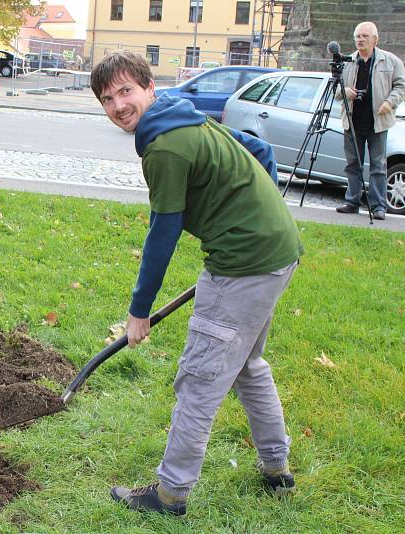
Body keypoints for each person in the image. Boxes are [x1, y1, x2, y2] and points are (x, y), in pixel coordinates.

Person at [90, 51, 303, 516]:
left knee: (199, 381)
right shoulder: (182, 116)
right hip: (277, 251)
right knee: (247, 365)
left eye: (126, 91)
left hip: (243, 265)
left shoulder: (165, 146)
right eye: (107, 99)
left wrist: (139, 309)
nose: (118, 105)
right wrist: (259, 212)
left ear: (149, 86)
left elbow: (162, 231)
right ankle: (276, 468)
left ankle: (170, 494)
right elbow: (260, 152)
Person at [335, 21, 405, 221]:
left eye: (365, 36)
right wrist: (344, 91)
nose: (360, 39)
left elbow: (401, 86)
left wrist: (390, 103)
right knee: (352, 164)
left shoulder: (390, 61)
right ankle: (352, 202)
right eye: (358, 36)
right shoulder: (347, 60)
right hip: (352, 121)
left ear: (375, 39)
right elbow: (334, 89)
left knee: (378, 166)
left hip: (378, 121)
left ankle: (378, 207)